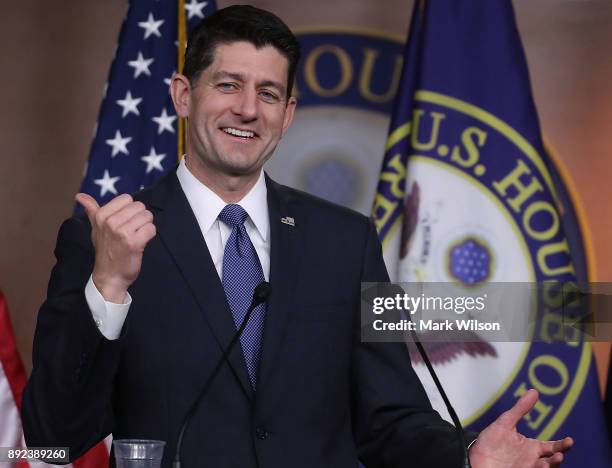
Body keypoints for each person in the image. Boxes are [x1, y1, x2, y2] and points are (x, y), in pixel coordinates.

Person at [22, 5, 573, 467]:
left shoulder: (347, 242)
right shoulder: (102, 239)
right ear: (183, 95)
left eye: (268, 93)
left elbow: (389, 418)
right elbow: (52, 439)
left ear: (287, 114)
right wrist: (110, 286)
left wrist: (467, 455)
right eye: (228, 84)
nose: (246, 108)